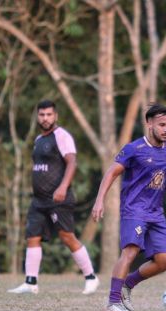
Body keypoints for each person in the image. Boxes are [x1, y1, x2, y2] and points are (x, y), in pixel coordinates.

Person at [91, 104, 166, 311]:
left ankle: (127, 285)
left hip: (155, 212)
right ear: (149, 124)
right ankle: (113, 303)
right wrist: (99, 200)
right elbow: (112, 173)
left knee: (165, 259)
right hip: (134, 210)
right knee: (129, 253)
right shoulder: (134, 149)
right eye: (161, 125)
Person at [8, 100, 99, 295]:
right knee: (32, 236)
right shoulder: (39, 140)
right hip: (39, 200)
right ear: (37, 116)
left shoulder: (62, 136)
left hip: (59, 198)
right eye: (42, 115)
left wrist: (63, 187)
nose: (45, 118)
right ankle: (30, 282)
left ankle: (91, 277)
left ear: (55, 116)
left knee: (67, 237)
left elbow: (72, 162)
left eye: (49, 114)